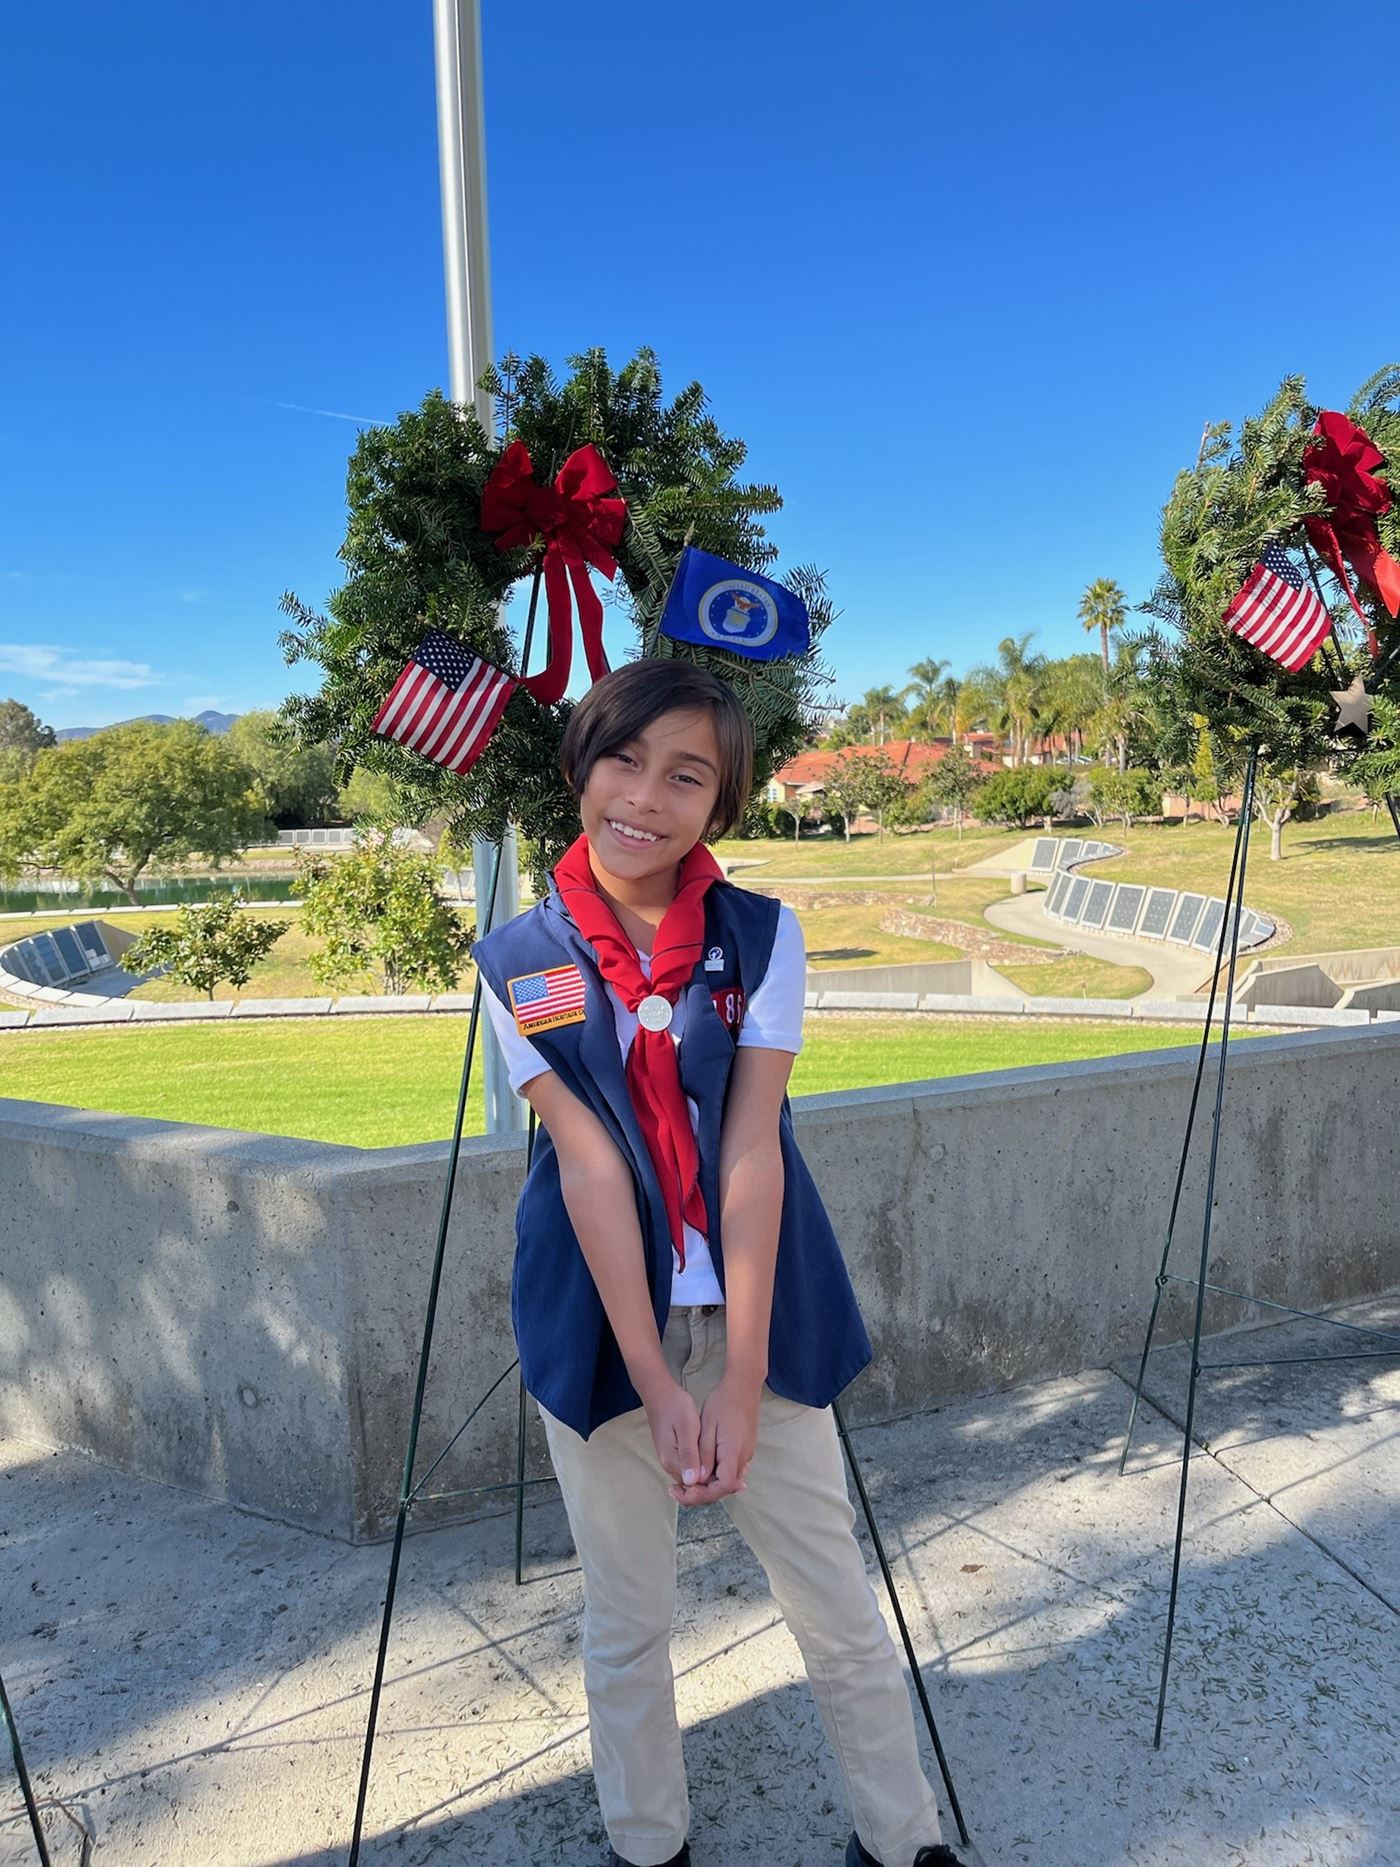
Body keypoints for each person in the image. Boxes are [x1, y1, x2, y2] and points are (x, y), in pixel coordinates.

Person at [473, 659, 969, 1867]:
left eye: (684, 773)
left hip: (760, 1318)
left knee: (837, 1606)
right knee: (627, 1618)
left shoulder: (758, 934)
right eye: (622, 759)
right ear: (581, 765)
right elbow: (586, 1167)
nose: (644, 796)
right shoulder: (517, 955)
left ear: (721, 800)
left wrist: (737, 1376)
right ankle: (649, 1846)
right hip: (604, 1331)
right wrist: (655, 1377)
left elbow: (753, 1148)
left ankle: (901, 1842)